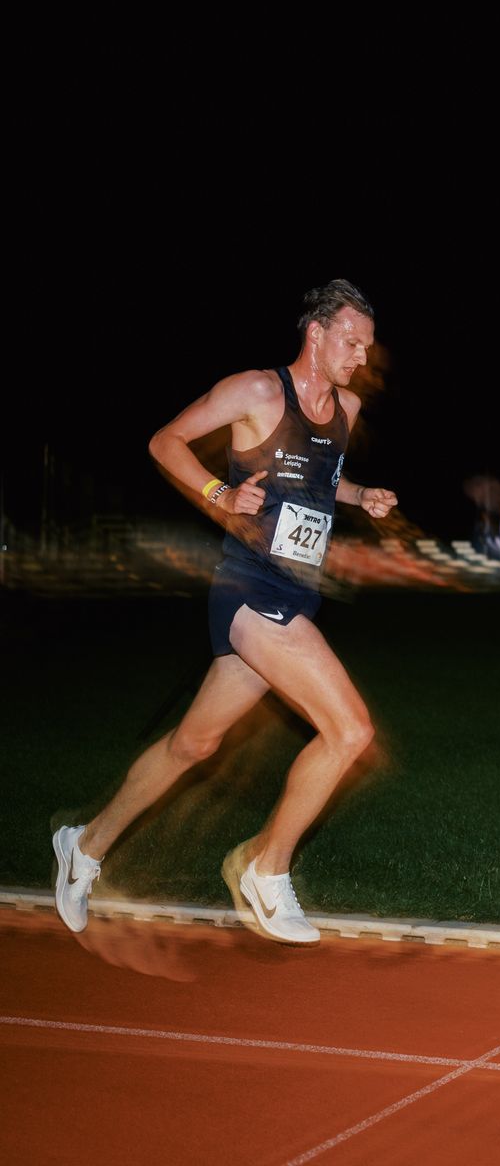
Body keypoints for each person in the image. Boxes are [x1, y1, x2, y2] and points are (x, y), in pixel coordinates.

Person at [51, 280, 398, 945]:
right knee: (350, 731)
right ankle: (264, 870)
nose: (360, 360)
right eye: (351, 344)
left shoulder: (345, 407)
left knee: (194, 743)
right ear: (317, 333)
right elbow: (164, 441)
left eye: (367, 348)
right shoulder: (256, 392)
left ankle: (84, 846)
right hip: (249, 589)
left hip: (297, 594)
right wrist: (217, 494)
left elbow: (320, 480)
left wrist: (359, 496)